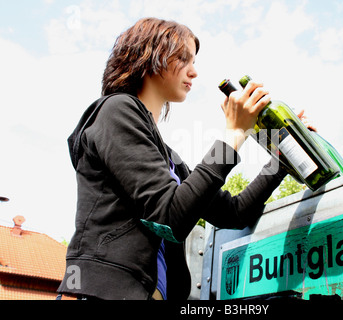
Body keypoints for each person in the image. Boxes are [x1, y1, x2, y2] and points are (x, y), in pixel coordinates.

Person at [57, 17, 289, 300]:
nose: (193, 72)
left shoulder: (168, 158)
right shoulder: (115, 111)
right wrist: (235, 133)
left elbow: (234, 212)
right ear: (149, 54)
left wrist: (279, 163)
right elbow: (169, 218)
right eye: (184, 58)